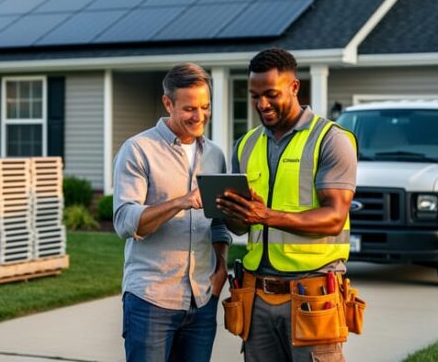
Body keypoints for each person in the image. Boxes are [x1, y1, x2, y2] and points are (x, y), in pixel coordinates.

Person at [217, 48, 357, 362]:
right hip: (257, 295)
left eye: (270, 94)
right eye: (254, 96)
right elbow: (242, 226)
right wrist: (236, 213)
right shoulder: (246, 144)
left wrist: (266, 216)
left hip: (312, 294)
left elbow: (334, 218)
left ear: (294, 87)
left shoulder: (331, 140)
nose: (261, 104)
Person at [113, 63, 231, 362]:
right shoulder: (138, 149)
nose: (200, 116)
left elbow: (219, 221)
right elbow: (125, 222)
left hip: (203, 299)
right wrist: (181, 202)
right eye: (190, 108)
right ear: (168, 103)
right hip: (151, 299)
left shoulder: (215, 155)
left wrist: (220, 268)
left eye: (205, 107)